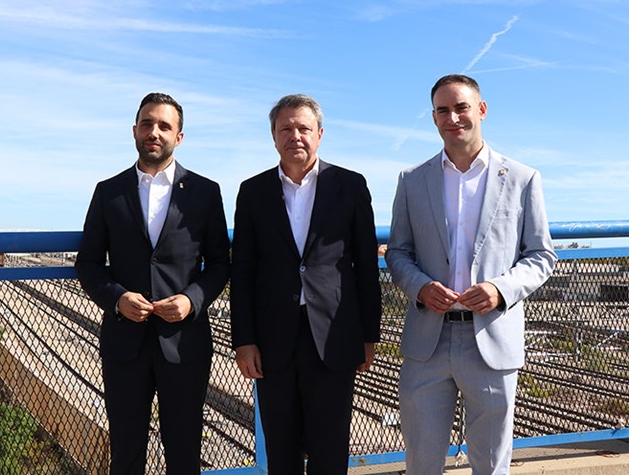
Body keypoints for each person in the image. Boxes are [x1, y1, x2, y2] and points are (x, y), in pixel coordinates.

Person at [385, 74, 557, 475]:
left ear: (481, 110)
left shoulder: (522, 178)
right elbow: (398, 251)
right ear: (433, 118)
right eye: (443, 110)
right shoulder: (412, 180)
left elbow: (541, 255)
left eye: (461, 107)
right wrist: (421, 287)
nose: (453, 118)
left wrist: (500, 289)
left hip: (492, 339)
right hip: (427, 342)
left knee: (492, 464)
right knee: (421, 462)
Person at [75, 92, 231, 475]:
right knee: (126, 454)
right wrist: (117, 298)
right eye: (147, 124)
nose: (154, 132)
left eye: (164, 126)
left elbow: (220, 265)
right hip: (124, 343)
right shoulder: (108, 191)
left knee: (184, 454)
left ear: (179, 136)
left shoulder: (205, 192)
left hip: (185, 343)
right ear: (134, 131)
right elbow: (88, 264)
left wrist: (191, 300)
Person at [230, 94, 381, 474]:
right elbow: (243, 270)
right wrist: (244, 340)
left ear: (319, 134)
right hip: (272, 339)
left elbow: (366, 266)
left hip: (334, 335)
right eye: (285, 129)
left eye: (303, 128)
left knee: (330, 449)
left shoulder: (349, 185)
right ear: (273, 137)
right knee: (280, 450)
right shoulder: (253, 191)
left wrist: (369, 336)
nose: (294, 136)